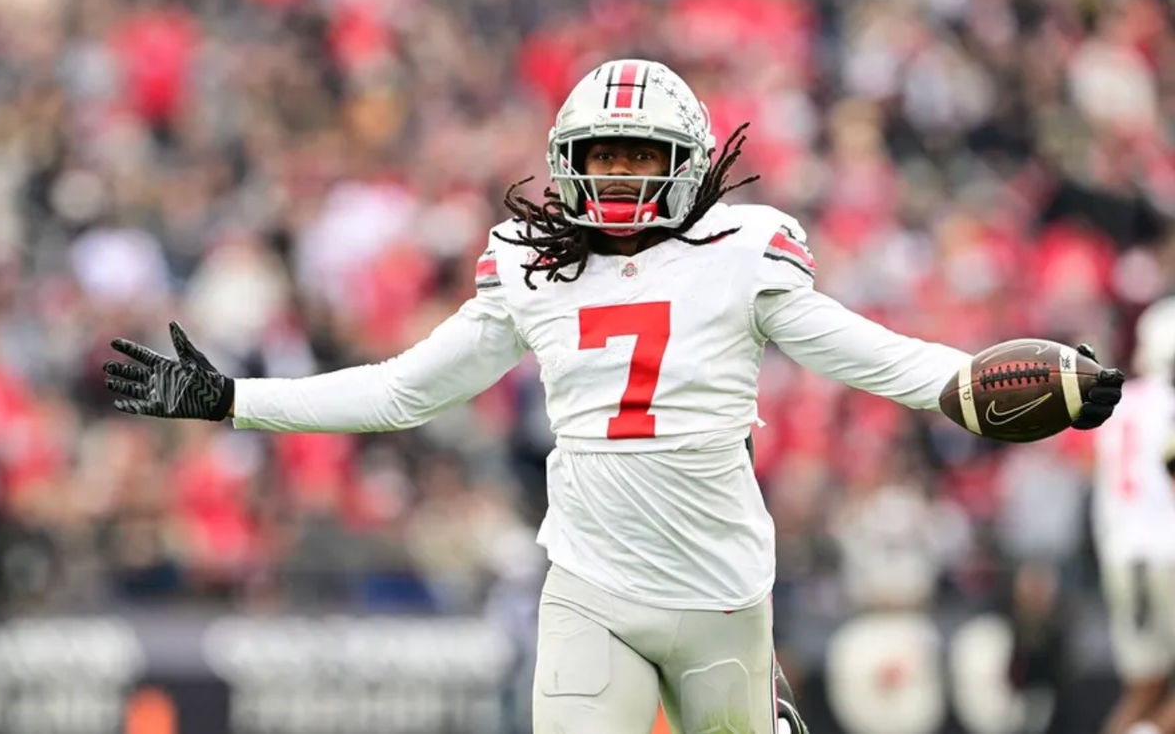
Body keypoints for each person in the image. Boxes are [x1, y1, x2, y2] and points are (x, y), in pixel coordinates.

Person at [103, 59, 1123, 734]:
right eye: (605, 155)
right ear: (567, 164)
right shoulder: (530, 268)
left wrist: (991, 385)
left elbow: (884, 359)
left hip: (722, 592)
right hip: (591, 585)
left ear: (687, 164)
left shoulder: (742, 253)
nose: (623, 175)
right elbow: (404, 391)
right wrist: (233, 399)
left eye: (642, 155)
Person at [1093, 297, 1175, 734]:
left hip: (1123, 554)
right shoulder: (1169, 404)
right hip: (1168, 549)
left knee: (1143, 690)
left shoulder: (1118, 404)